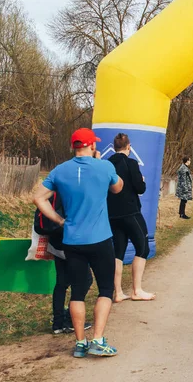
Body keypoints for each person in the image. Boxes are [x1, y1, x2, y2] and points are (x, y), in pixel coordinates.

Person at [33, 128, 123, 359]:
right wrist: (102, 164)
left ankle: (80, 344)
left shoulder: (59, 171)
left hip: (71, 240)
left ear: (74, 146)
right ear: (92, 146)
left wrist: (59, 220)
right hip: (100, 239)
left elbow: (38, 198)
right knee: (105, 289)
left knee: (77, 293)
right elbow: (117, 188)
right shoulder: (105, 167)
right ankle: (98, 340)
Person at [33, 192, 93, 334]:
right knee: (85, 280)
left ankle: (58, 323)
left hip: (54, 241)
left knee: (61, 283)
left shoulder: (51, 189)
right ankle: (72, 320)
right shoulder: (72, 189)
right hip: (71, 241)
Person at [107, 133, 155, 303]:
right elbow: (140, 188)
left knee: (118, 251)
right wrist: (141, 180)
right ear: (129, 146)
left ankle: (118, 292)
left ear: (114, 147)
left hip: (112, 214)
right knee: (143, 248)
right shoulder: (131, 163)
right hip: (130, 212)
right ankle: (137, 290)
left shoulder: (106, 164)